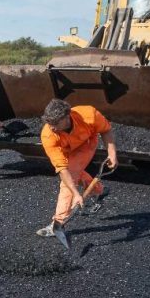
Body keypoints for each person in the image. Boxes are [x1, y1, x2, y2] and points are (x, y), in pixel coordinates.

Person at [35, 99, 118, 237]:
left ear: (67, 117)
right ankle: (98, 190)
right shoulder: (48, 134)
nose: (52, 127)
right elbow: (62, 169)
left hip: (86, 143)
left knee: (70, 178)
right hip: (65, 148)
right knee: (71, 174)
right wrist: (76, 193)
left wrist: (112, 153)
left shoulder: (89, 115)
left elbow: (106, 130)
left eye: (55, 123)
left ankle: (58, 223)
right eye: (49, 123)